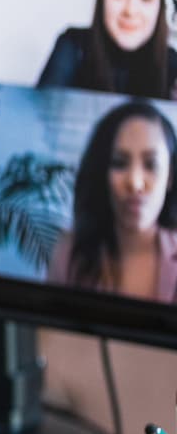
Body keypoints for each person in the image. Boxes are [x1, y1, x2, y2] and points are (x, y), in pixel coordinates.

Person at [46, 100, 177, 302]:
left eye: (151, 165)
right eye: (119, 163)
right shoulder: (70, 253)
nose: (134, 183)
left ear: (170, 177)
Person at [37, 0, 177, 97]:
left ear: (160, 4)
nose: (130, 10)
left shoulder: (172, 64)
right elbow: (40, 116)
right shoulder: (73, 47)